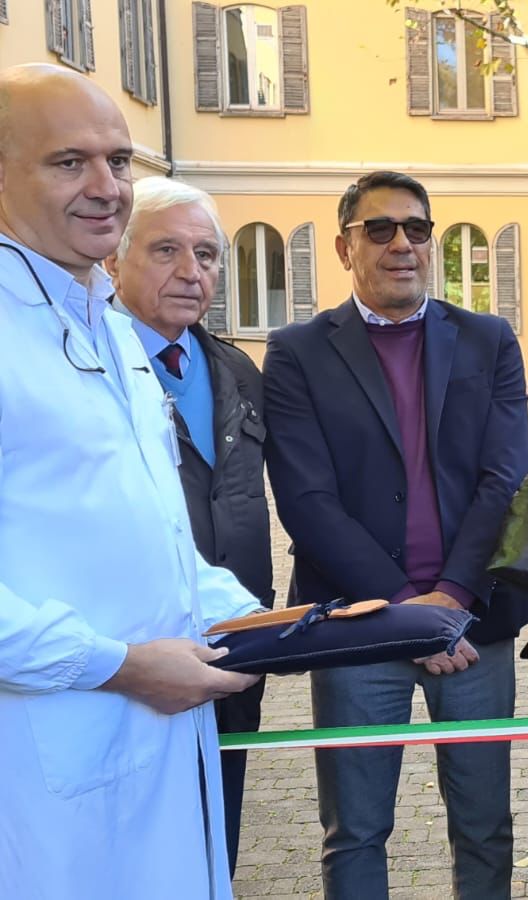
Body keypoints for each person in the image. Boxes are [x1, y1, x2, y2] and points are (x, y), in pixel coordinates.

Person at [0, 63, 263, 898]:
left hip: (158, 757)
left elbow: (157, 533)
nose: (107, 186)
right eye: (69, 161)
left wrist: (264, 622)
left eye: (119, 160)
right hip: (41, 774)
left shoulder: (111, 331)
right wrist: (115, 665)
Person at [262, 170, 528, 899]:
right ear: (345, 245)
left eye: (417, 228)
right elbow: (306, 501)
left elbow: (505, 479)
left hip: (475, 620)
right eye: (379, 229)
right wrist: (407, 613)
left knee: (484, 824)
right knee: (354, 829)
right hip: (357, 623)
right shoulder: (296, 353)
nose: (402, 244)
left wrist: (449, 599)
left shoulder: (488, 339)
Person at [105, 175, 274, 875]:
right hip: (134, 656)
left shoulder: (234, 365)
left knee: (217, 837)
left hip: (233, 648)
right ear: (114, 260)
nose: (192, 271)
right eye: (166, 250)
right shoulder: (93, 361)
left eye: (206, 255)